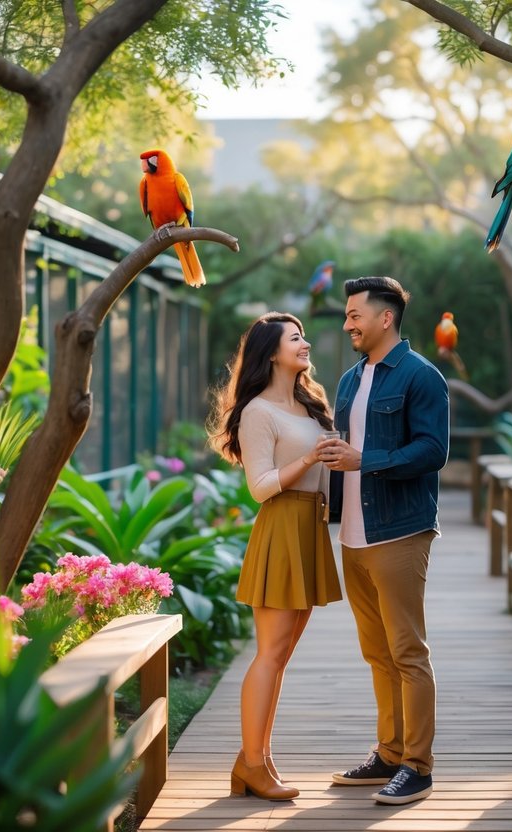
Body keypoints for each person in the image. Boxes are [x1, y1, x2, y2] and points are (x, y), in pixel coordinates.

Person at [317, 276, 449, 806]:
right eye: (347, 316)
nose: (348, 323)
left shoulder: (422, 376)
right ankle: (390, 753)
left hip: (399, 530)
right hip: (352, 534)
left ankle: (418, 766)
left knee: (407, 650)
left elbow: (432, 451)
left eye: (354, 315)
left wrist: (363, 461)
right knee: (376, 653)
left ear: (385, 318)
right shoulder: (350, 379)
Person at [209, 311, 343, 801]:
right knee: (270, 653)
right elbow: (260, 487)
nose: (305, 343)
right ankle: (251, 762)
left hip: (310, 526)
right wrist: (309, 458)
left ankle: (258, 760)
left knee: (281, 655)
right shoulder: (258, 413)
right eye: (295, 338)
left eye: (304, 335)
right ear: (271, 352)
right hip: (282, 524)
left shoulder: (309, 406)